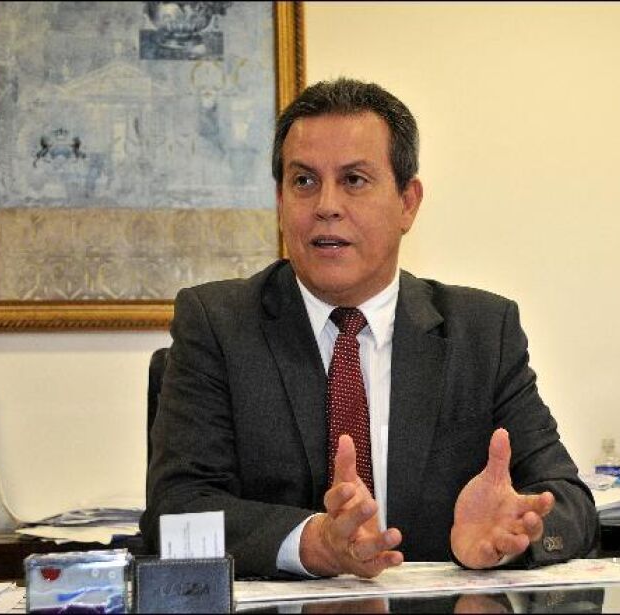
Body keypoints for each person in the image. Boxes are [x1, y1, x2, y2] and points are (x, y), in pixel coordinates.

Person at [142, 78, 597, 579]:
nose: (326, 205)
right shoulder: (218, 323)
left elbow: (570, 501)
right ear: (280, 201)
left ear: (408, 202)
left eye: (354, 180)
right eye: (304, 181)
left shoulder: (482, 332)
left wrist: (509, 537)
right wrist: (313, 542)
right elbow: (176, 511)